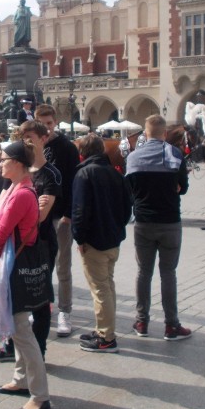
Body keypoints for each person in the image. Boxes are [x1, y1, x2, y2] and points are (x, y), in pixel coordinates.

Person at [0, 140, 51, 409]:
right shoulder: (13, 188)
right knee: (20, 327)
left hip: (16, 266)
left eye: (4, 159)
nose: (0, 163)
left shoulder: (22, 193)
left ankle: (40, 395)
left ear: (19, 163)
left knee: (22, 331)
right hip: (13, 261)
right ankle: (21, 380)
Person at [0, 120, 60, 362]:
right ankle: (10, 346)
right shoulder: (14, 176)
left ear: (42, 139)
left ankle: (39, 352)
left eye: (30, 136)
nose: (26, 140)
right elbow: (1, 210)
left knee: (40, 301)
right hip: (13, 244)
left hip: (41, 243)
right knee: (13, 297)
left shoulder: (50, 174)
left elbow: (40, 216)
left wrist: (22, 211)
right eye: (22, 136)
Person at [125, 114, 192, 341]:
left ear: (145, 133)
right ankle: (171, 326)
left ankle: (142, 321)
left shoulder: (134, 158)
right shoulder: (175, 154)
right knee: (168, 273)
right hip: (170, 221)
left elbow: (130, 190)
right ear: (165, 134)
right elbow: (183, 188)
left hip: (143, 222)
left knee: (144, 272)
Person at [72, 134, 133, 353]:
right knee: (108, 285)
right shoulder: (116, 174)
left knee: (100, 289)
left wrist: (79, 238)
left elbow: (79, 211)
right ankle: (103, 330)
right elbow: (128, 208)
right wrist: (117, 228)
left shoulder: (84, 173)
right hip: (113, 240)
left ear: (82, 153)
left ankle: (106, 338)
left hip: (94, 242)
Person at [34, 103, 79, 337]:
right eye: (41, 125)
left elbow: (73, 183)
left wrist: (70, 215)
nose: (46, 129)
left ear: (55, 123)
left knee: (62, 266)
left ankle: (65, 311)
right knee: (42, 265)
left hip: (61, 216)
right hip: (39, 216)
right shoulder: (32, 148)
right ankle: (42, 307)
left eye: (49, 124)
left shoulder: (67, 148)